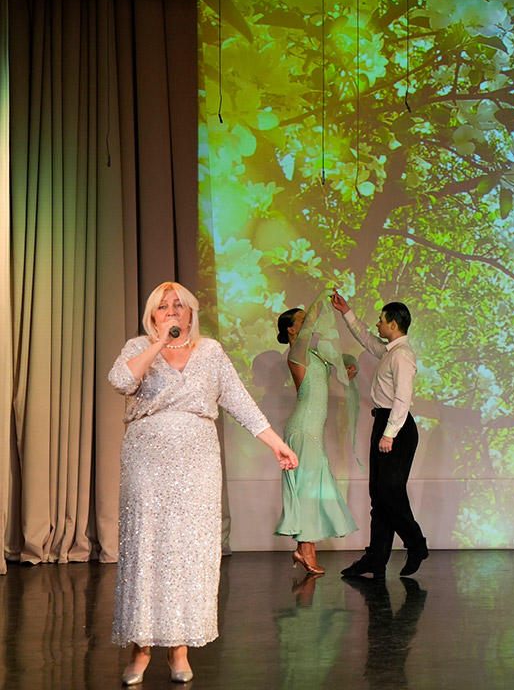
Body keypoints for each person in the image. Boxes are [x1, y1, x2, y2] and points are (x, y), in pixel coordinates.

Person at [108, 282, 299, 686]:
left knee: (189, 552)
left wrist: (276, 443)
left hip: (197, 463)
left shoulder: (210, 351)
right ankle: (140, 648)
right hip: (147, 461)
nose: (172, 312)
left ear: (192, 312)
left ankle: (179, 648)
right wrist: (159, 344)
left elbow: (240, 401)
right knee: (146, 549)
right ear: (152, 314)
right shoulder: (138, 347)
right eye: (163, 306)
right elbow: (121, 381)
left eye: (179, 305)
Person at [330, 290, 429, 577]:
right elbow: (366, 337)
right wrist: (346, 312)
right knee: (379, 494)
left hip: (396, 427)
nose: (377, 324)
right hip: (385, 423)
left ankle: (416, 544)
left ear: (393, 324)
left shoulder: (402, 356)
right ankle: (376, 557)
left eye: (381, 320)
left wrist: (390, 434)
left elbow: (403, 398)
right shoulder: (390, 351)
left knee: (389, 492)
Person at [275, 295, 360, 575]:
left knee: (313, 490)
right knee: (308, 491)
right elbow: (311, 323)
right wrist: (321, 297)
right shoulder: (296, 353)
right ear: (291, 330)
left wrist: (350, 365)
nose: (308, 323)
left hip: (311, 430)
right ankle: (305, 550)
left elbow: (341, 359)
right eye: (301, 321)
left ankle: (305, 549)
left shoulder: (313, 354)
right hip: (303, 429)